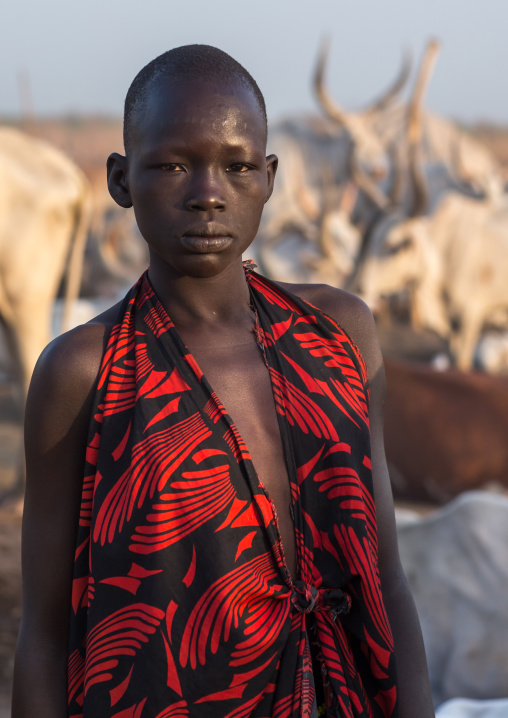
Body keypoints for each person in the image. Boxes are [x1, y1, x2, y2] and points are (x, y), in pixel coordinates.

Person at [12, 45, 435, 718]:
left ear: (267, 178)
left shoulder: (339, 335)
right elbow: (41, 630)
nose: (208, 193)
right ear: (122, 181)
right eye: (173, 165)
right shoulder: (84, 371)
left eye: (237, 167)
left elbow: (385, 574)